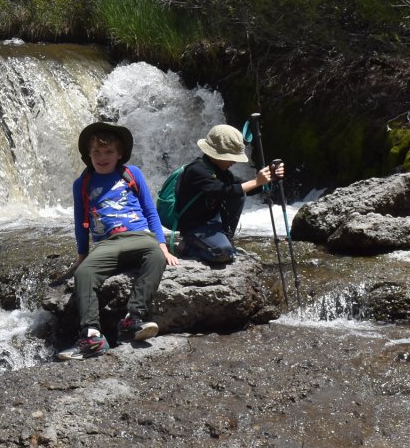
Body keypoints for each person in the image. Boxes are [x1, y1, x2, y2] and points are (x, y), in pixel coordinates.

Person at [58, 121, 178, 360]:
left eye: (109, 152)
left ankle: (132, 319)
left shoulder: (132, 174)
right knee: (84, 274)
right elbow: (80, 222)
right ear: (88, 154)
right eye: (97, 152)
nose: (102, 157)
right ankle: (92, 337)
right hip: (107, 244)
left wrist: (163, 246)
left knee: (155, 258)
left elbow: (150, 211)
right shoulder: (82, 184)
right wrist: (82, 256)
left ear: (120, 153)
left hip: (140, 237)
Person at [172, 123, 284, 264]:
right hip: (195, 227)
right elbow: (223, 192)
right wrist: (257, 181)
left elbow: (242, 187)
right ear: (217, 154)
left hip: (213, 224)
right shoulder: (197, 170)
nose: (234, 162)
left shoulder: (220, 171)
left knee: (240, 193)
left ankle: (225, 238)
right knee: (223, 254)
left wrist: (270, 177)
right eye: (231, 157)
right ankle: (188, 246)